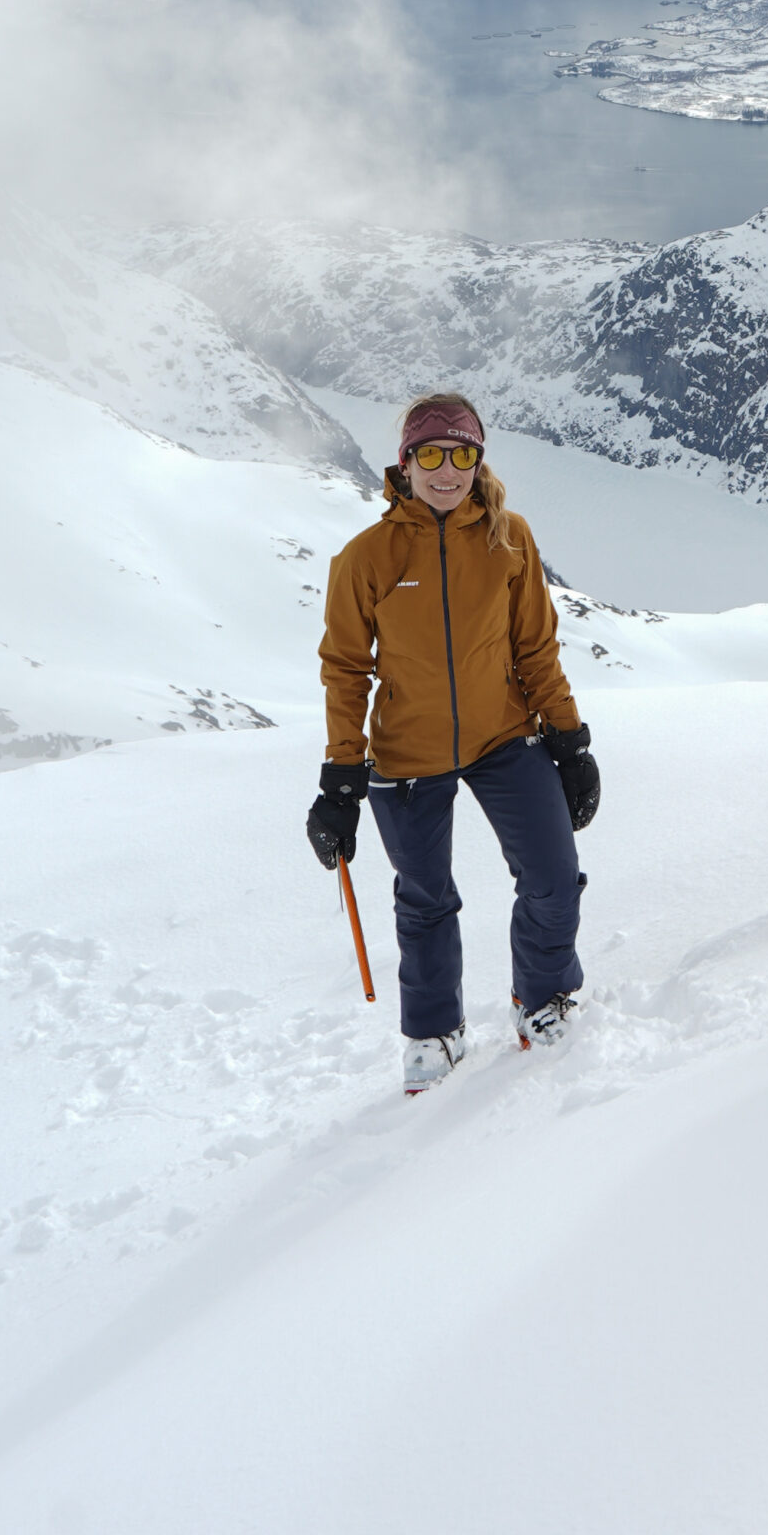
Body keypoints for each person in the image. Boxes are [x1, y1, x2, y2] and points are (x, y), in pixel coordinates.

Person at [305, 393, 602, 1093]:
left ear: (478, 461)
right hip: (406, 754)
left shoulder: (509, 539)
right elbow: (346, 672)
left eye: (462, 454)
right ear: (404, 464)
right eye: (430, 454)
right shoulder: (366, 558)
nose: (447, 469)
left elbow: (536, 647)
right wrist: (340, 783)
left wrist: (567, 739)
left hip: (504, 735)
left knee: (554, 876)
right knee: (425, 899)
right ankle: (436, 1031)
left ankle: (542, 996)